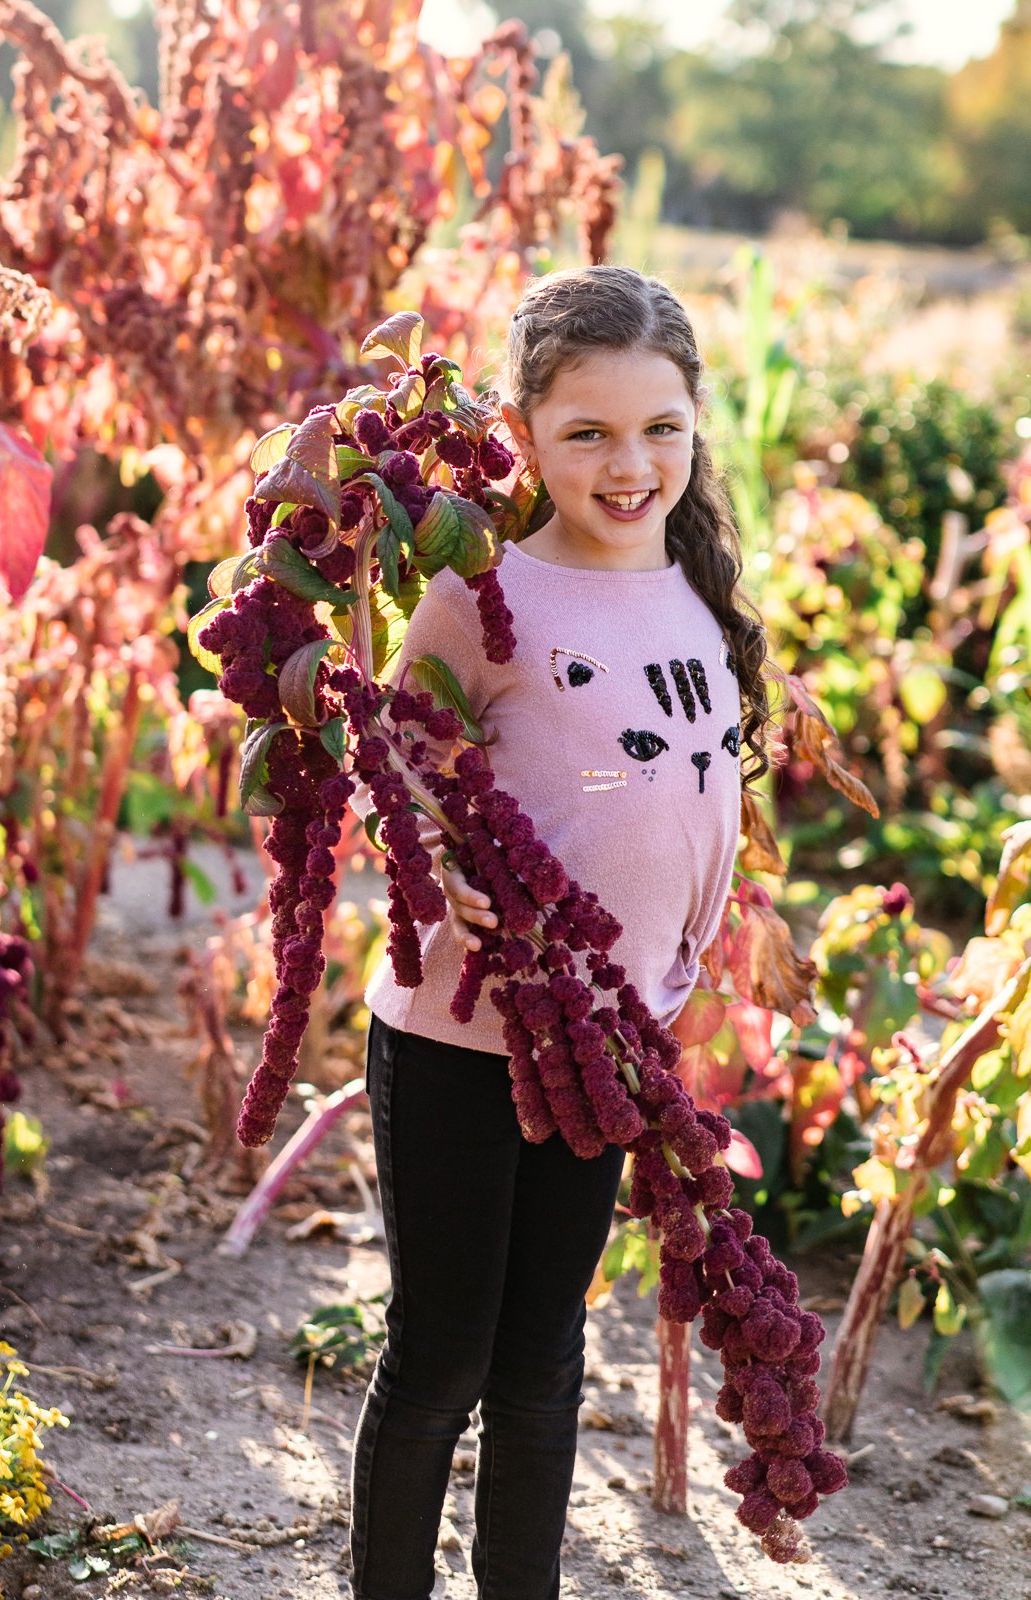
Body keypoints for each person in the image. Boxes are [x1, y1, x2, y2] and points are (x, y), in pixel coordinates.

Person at [349, 264, 773, 1600]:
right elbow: (400, 771)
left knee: (544, 1366)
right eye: (586, 430)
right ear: (525, 433)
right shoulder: (488, 599)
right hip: (464, 1039)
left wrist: (678, 978)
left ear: (696, 429)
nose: (629, 461)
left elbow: (700, 802)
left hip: (612, 1043)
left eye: (660, 428)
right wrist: (423, 846)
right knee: (442, 1359)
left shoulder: (704, 602)